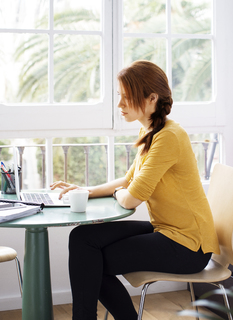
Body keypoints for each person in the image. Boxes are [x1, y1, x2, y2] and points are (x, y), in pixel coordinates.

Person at [50, 60, 219, 320]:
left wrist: (120, 194)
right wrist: (85, 190)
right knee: (83, 239)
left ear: (152, 98)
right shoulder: (151, 131)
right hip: (167, 230)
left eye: (127, 98)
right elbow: (128, 180)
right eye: (121, 97)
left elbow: (129, 199)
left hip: (188, 245)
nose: (120, 105)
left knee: (92, 261)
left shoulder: (169, 137)